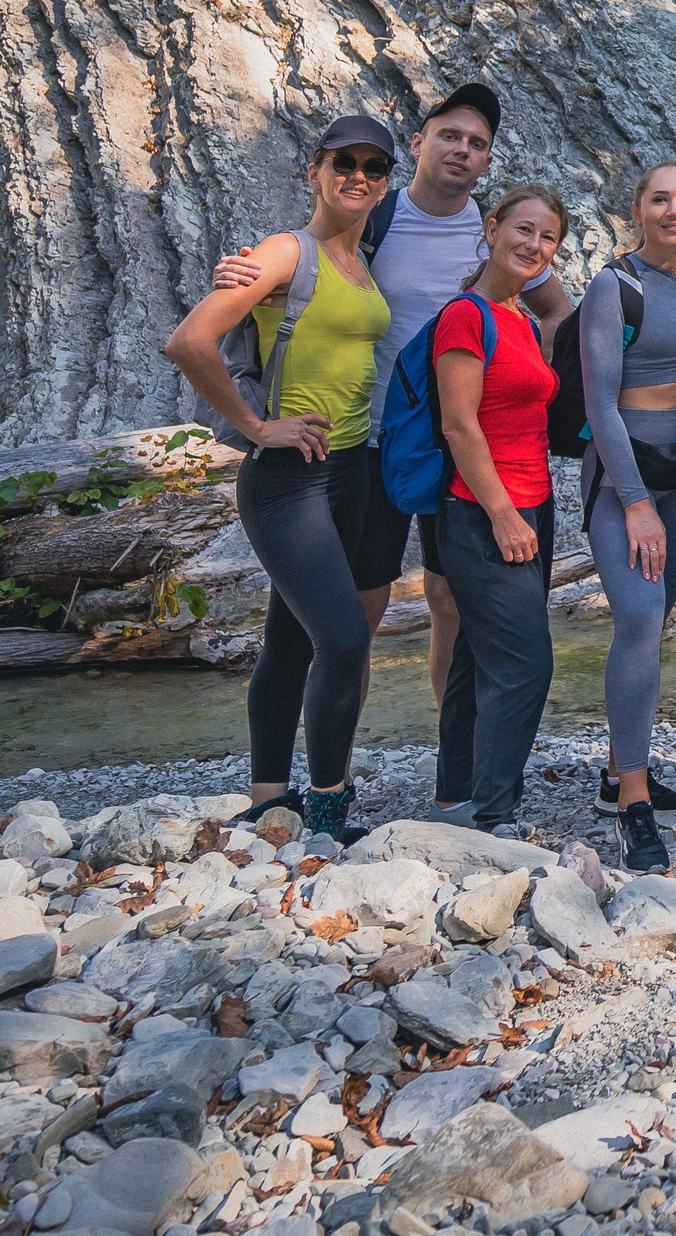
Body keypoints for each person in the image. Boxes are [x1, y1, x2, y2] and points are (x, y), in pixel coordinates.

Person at [213, 83, 572, 733]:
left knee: (451, 601)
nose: (461, 150)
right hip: (371, 445)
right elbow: (307, 270)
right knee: (357, 611)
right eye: (449, 136)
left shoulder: (494, 232)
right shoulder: (375, 222)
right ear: (418, 143)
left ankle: (451, 754)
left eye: (476, 144)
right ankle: (333, 764)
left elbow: (556, 309)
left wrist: (532, 380)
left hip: (461, 451)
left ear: (488, 162)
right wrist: (248, 278)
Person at [166, 116, 397, 844]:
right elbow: (190, 340)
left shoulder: (363, 259)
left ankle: (269, 800)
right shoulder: (283, 252)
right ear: (314, 171)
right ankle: (328, 811)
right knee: (345, 640)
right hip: (286, 478)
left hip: (353, 467)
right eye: (343, 163)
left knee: (293, 641)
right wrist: (260, 426)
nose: (357, 177)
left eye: (373, 167)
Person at [580, 160, 676, 873]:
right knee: (637, 617)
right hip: (625, 478)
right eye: (660, 199)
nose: (674, 210)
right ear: (636, 209)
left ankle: (618, 769)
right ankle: (633, 802)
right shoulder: (614, 287)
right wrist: (634, 503)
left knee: (656, 617)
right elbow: (600, 403)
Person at [427, 186, 568, 837]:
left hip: (534, 505)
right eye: (524, 230)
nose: (533, 245)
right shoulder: (466, 315)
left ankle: (456, 793)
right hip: (482, 514)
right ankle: (495, 814)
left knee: (478, 658)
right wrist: (505, 515)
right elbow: (459, 426)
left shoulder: (520, 317)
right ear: (492, 227)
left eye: (547, 238)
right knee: (526, 664)